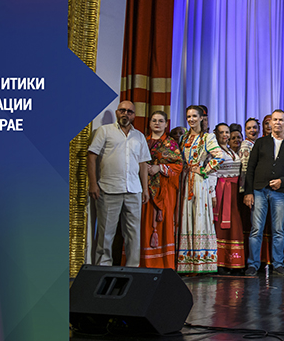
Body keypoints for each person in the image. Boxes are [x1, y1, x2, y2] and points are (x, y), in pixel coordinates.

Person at [87, 101, 151, 266]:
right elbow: (92, 156)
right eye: (122, 110)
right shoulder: (104, 131)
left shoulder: (139, 136)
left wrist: (145, 189)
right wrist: (93, 183)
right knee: (106, 233)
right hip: (109, 189)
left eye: (129, 111)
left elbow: (143, 164)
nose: (125, 114)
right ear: (117, 113)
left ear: (134, 115)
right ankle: (103, 267)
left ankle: (132, 268)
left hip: (134, 190)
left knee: (133, 233)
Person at [243, 110, 284, 276]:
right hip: (259, 190)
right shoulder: (261, 142)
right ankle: (253, 264)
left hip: (280, 192)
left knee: (278, 230)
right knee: (256, 229)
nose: (277, 123)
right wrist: (248, 192)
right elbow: (250, 168)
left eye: (280, 120)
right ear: (270, 123)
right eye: (275, 120)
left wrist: (282, 182)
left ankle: (277, 264)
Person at [176, 105, 227, 274]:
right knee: (185, 216)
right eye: (188, 116)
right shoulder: (183, 137)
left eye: (194, 116)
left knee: (198, 216)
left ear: (201, 118)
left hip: (198, 181)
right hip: (184, 179)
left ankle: (200, 262)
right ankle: (186, 262)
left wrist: (204, 170)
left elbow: (219, 156)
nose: (191, 119)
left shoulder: (207, 137)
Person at [142, 111, 182, 269]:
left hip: (165, 189)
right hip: (144, 187)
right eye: (154, 120)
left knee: (164, 223)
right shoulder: (143, 141)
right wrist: (144, 168)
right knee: (144, 223)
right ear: (149, 123)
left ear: (166, 124)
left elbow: (178, 165)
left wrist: (159, 168)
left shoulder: (171, 144)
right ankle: (144, 262)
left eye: (160, 121)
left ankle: (163, 264)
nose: (157, 123)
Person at [212, 123, 246, 272]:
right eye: (222, 133)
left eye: (227, 132)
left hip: (233, 190)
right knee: (221, 225)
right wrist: (212, 193)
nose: (225, 135)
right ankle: (220, 262)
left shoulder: (230, 151)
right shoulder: (215, 151)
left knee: (234, 224)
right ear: (216, 134)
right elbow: (212, 172)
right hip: (222, 190)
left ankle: (233, 261)